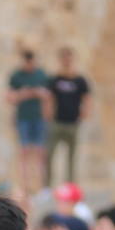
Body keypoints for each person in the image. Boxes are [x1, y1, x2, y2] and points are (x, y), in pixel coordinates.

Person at [45, 48, 91, 186]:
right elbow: (49, 98)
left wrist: (85, 113)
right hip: (57, 122)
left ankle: (70, 185)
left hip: (73, 123)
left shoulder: (80, 80)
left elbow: (87, 98)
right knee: (50, 155)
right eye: (64, 58)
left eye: (69, 58)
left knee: (71, 157)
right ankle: (48, 185)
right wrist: (48, 114)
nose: (67, 61)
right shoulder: (55, 79)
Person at [6, 50, 49, 192]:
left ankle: (40, 185)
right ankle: (24, 185)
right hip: (23, 118)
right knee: (24, 151)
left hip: (39, 118)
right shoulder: (16, 76)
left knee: (39, 152)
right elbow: (10, 98)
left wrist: (34, 93)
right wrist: (26, 93)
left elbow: (48, 95)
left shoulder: (41, 75)